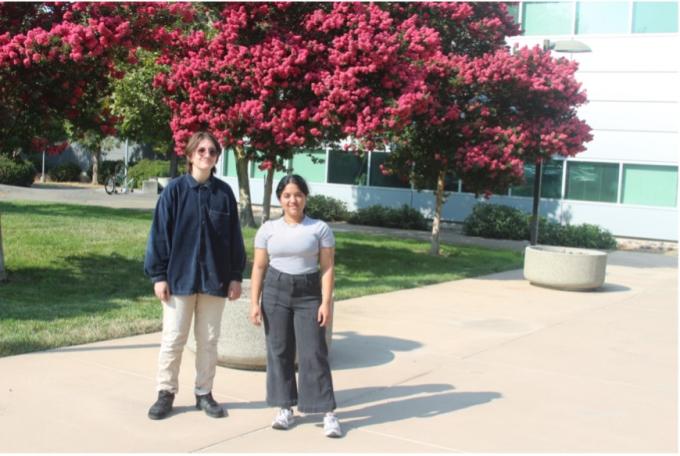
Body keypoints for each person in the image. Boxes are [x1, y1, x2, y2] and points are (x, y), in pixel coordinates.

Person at [144, 131, 246, 420]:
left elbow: (234, 238)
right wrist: (158, 276)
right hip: (179, 278)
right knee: (174, 338)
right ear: (190, 156)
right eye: (201, 151)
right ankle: (165, 393)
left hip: (215, 279)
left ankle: (204, 393)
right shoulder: (174, 191)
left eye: (212, 151)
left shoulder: (224, 193)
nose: (206, 155)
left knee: (209, 340)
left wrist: (236, 276)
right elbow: (159, 236)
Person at [249, 174, 342, 438]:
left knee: (314, 352)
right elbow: (259, 266)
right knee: (279, 351)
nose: (293, 200)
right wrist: (254, 302)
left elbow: (327, 268)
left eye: (298, 194)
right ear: (280, 198)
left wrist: (325, 303)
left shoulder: (319, 228)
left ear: (305, 198)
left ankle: (327, 412)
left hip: (308, 293)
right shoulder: (267, 229)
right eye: (287, 195)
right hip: (275, 291)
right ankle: (284, 408)